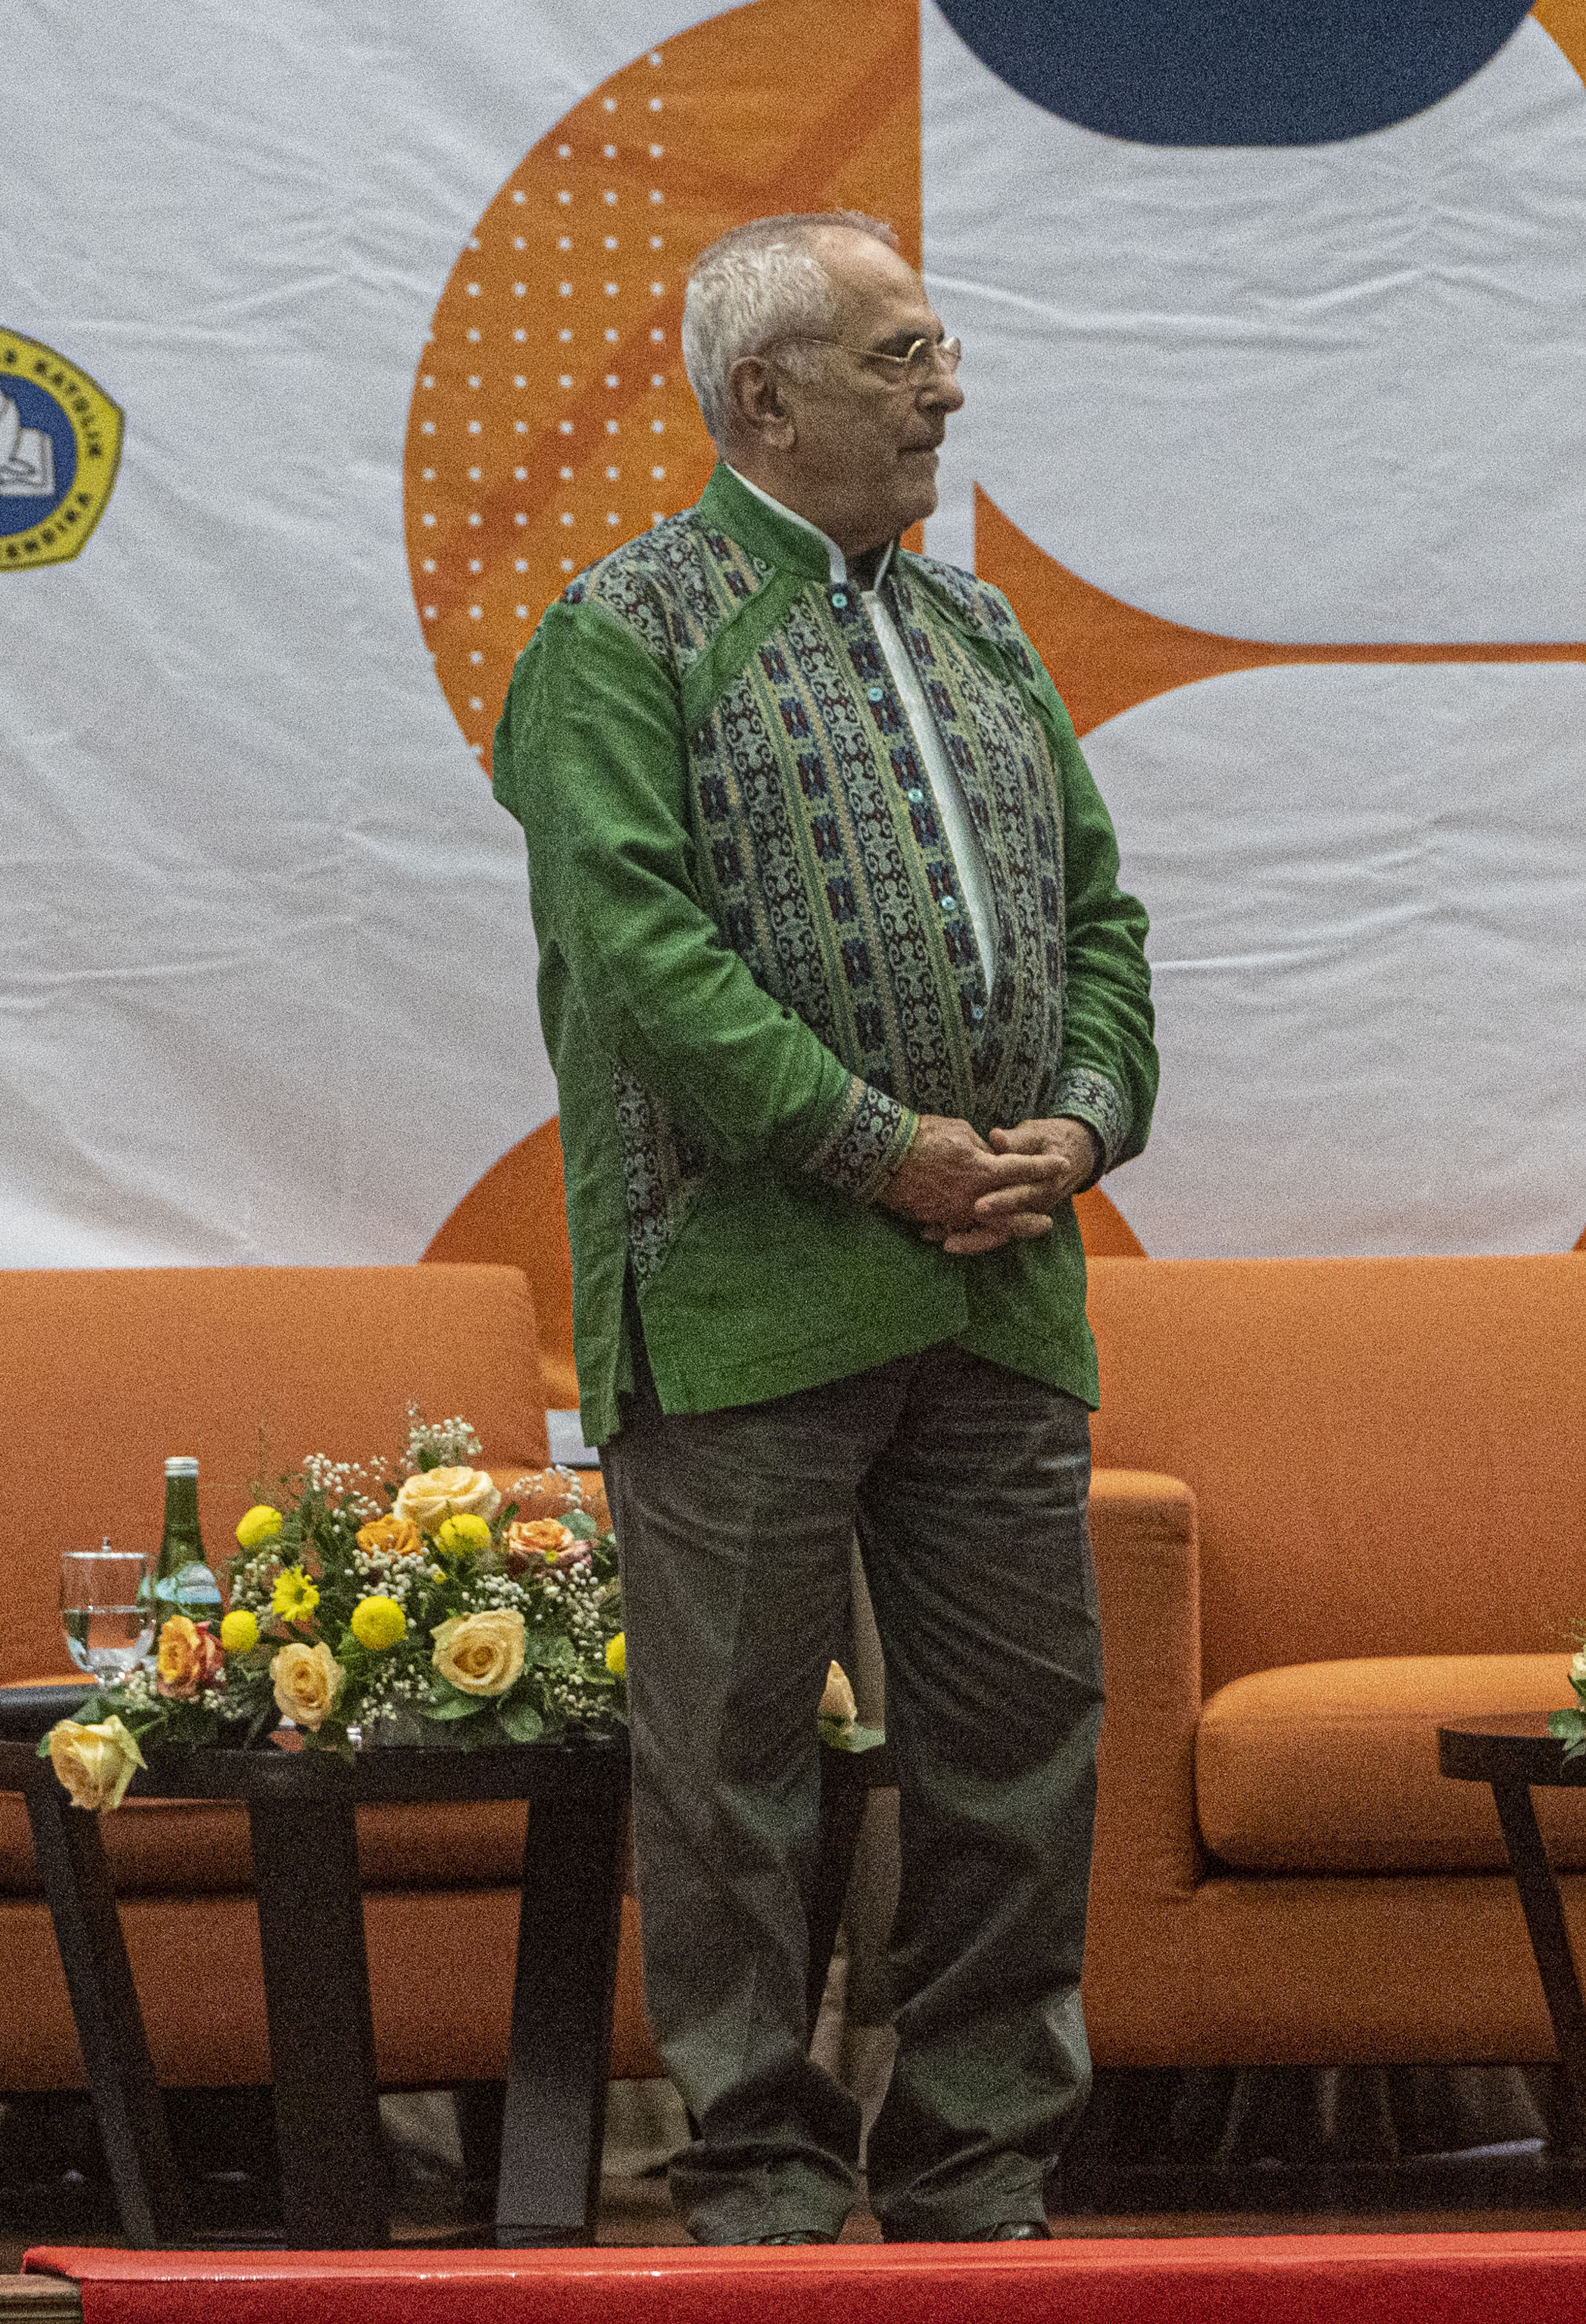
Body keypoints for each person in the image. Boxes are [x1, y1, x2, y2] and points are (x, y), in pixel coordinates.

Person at [490, 210, 1156, 2244]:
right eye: (900, 357)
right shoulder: (628, 633)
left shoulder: (982, 633)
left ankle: (977, 2171)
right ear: (762, 399)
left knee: (1020, 1754)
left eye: (940, 351)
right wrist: (885, 1151)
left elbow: (1105, 923)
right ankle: (762, 2173)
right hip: (747, 1293)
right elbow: (643, 961)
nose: (946, 389)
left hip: (1006, 1288)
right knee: (738, 1775)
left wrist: (1081, 1124)